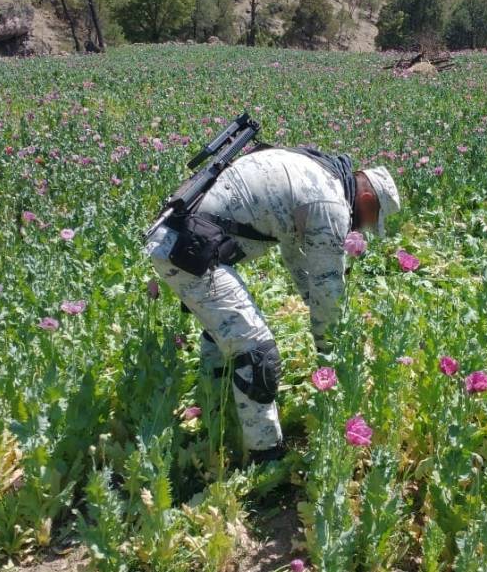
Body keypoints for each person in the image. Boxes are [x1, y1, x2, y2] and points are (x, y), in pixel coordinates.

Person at [145, 144, 400, 464]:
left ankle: (216, 418)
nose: (360, 230)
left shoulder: (318, 176)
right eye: (367, 222)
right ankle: (265, 459)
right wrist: (332, 353)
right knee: (256, 353)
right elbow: (327, 290)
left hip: (181, 239)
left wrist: (316, 311)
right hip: (186, 250)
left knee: (224, 335)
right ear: (365, 201)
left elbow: (298, 259)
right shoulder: (330, 204)